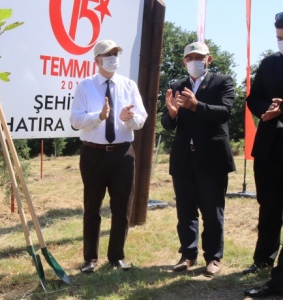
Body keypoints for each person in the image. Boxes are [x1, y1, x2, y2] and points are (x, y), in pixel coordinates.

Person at [69, 39, 147, 274]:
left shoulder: (129, 85)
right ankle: (90, 258)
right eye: (108, 54)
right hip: (93, 153)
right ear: (97, 60)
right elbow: (75, 121)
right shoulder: (85, 86)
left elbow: (141, 119)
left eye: (116, 53)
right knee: (92, 207)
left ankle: (116, 256)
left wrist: (127, 120)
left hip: (123, 153)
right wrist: (99, 116)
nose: (114, 58)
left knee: (122, 207)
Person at [161, 41, 235, 276]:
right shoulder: (176, 85)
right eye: (190, 57)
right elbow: (167, 123)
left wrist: (196, 105)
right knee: (185, 211)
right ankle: (187, 254)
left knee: (212, 211)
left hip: (212, 158)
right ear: (184, 61)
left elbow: (224, 112)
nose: (194, 61)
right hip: (184, 158)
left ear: (208, 59)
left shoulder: (222, 82)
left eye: (199, 57)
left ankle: (213, 257)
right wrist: (172, 113)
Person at [244, 12, 283, 298]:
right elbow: (253, 97)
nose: (281, 42)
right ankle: (263, 259)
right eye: (279, 38)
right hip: (269, 146)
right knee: (268, 205)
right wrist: (265, 111)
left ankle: (279, 278)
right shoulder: (270, 63)